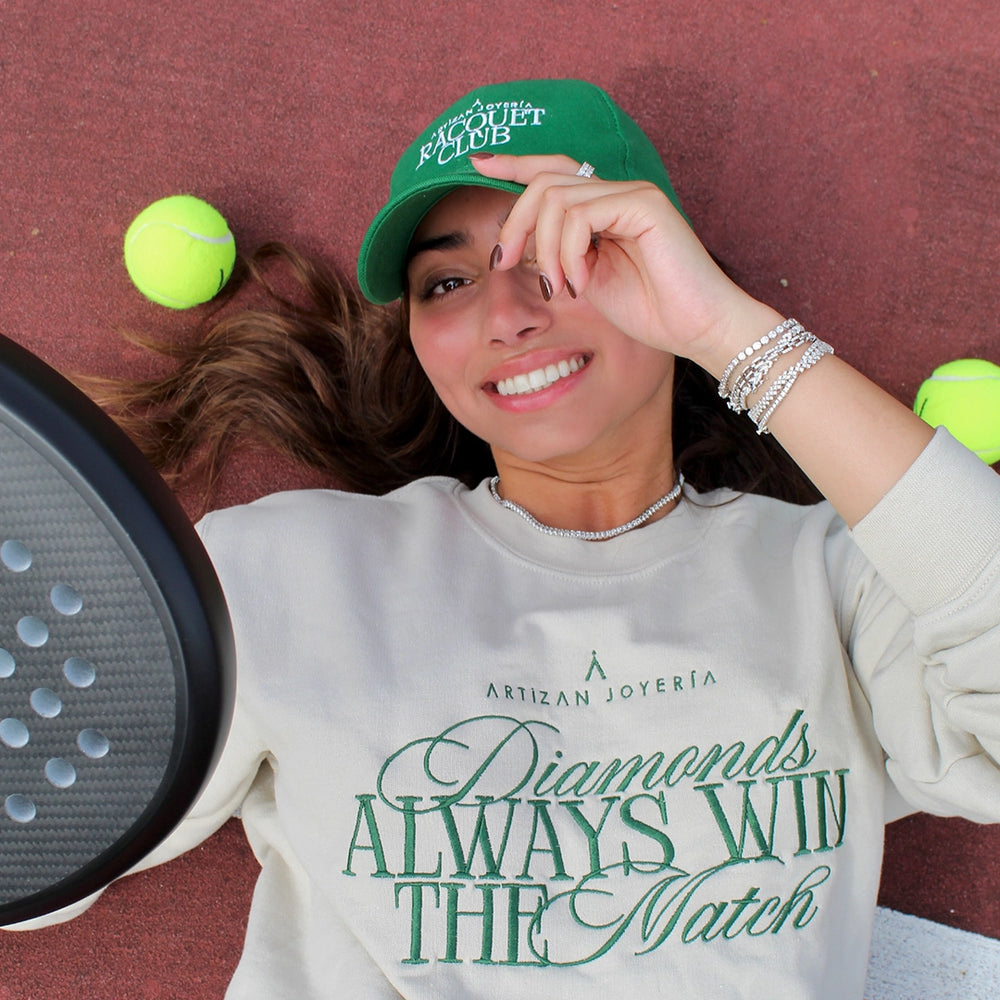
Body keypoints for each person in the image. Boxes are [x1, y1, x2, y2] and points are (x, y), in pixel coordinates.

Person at [17, 78, 1000, 999]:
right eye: (446, 284)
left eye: (565, 251)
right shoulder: (284, 573)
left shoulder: (833, 582)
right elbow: (34, 843)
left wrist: (726, 331)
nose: (506, 313)